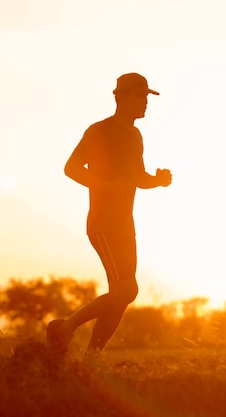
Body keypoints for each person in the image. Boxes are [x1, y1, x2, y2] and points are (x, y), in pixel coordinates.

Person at [47, 73, 172, 357]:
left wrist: (158, 180)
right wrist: (107, 187)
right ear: (123, 96)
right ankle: (64, 329)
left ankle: (92, 358)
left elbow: (138, 177)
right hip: (103, 223)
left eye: (147, 97)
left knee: (122, 295)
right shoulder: (99, 131)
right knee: (127, 290)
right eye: (141, 96)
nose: (145, 103)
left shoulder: (135, 136)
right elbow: (72, 168)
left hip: (126, 225)